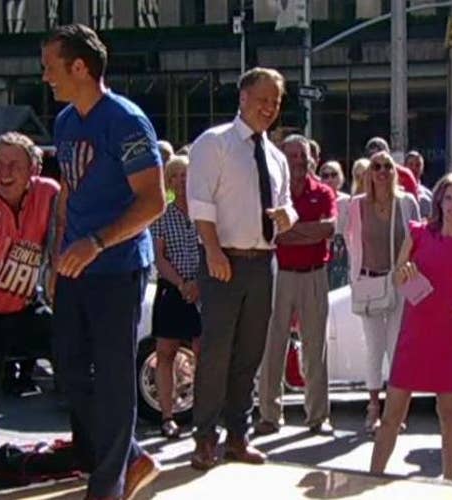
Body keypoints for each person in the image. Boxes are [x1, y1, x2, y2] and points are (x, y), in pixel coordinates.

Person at [43, 24, 165, 500]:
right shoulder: (66, 122)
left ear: (80, 67)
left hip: (118, 267)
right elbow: (69, 193)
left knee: (114, 377)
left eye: (51, 66)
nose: (46, 76)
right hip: (75, 265)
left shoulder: (127, 121)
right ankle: (131, 455)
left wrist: (96, 241)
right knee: (68, 367)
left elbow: (154, 201)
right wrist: (58, 257)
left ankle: (109, 484)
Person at [186, 67, 297, 470]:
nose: (269, 108)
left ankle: (237, 436)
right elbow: (200, 203)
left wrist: (287, 217)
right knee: (216, 353)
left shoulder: (277, 156)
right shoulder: (213, 143)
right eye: (263, 99)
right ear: (243, 98)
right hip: (224, 259)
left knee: (250, 354)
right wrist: (213, 252)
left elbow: (286, 206)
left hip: (262, 262)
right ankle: (203, 438)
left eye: (276, 102)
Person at [0, 133, 59, 496]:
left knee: (76, 353)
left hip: (22, 307)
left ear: (33, 168)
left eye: (14, 165)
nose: (4, 172)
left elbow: (64, 224)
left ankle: (94, 450)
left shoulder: (48, 193)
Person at [370, 173, 452, 480]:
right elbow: (396, 275)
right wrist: (404, 273)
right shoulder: (418, 233)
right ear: (438, 201)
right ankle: (371, 477)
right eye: (448, 198)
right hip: (415, 333)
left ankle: (449, 482)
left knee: (449, 412)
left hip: (449, 334)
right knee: (393, 412)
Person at [257, 134, 336, 436]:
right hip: (281, 274)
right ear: (283, 160)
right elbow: (274, 235)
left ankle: (318, 416)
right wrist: (307, 232)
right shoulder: (275, 194)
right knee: (272, 346)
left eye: (303, 156)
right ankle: (269, 414)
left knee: (316, 348)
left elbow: (328, 229)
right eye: (293, 157)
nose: (299, 162)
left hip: (315, 274)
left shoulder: (324, 192)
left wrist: (293, 231)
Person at [345, 150, 420, 432]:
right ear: (368, 173)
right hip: (369, 282)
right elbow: (350, 242)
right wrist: (355, 279)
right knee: (374, 348)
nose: (382, 171)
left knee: (396, 348)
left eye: (387, 166)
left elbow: (416, 240)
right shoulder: (356, 205)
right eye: (376, 166)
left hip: (399, 282)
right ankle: (373, 407)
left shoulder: (407, 202)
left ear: (395, 172)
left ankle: (394, 409)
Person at [149, 155, 201, 439]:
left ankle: (204, 418)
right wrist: (182, 283)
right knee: (165, 353)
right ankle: (168, 417)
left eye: (186, 175)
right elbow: (159, 257)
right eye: (176, 176)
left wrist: (199, 285)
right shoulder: (161, 215)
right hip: (172, 289)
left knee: (204, 354)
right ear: (168, 182)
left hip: (203, 290)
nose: (181, 181)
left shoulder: (204, 213)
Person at [319, 160, 351, 290]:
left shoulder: (348, 201)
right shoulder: (316, 200)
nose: (330, 179)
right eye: (325, 176)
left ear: (341, 177)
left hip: (342, 253)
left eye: (334, 174)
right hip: (321, 253)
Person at [405, 150, 432, 218]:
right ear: (404, 167)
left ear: (422, 169)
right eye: (410, 164)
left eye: (418, 165)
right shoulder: (397, 192)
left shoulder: (428, 196)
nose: (414, 168)